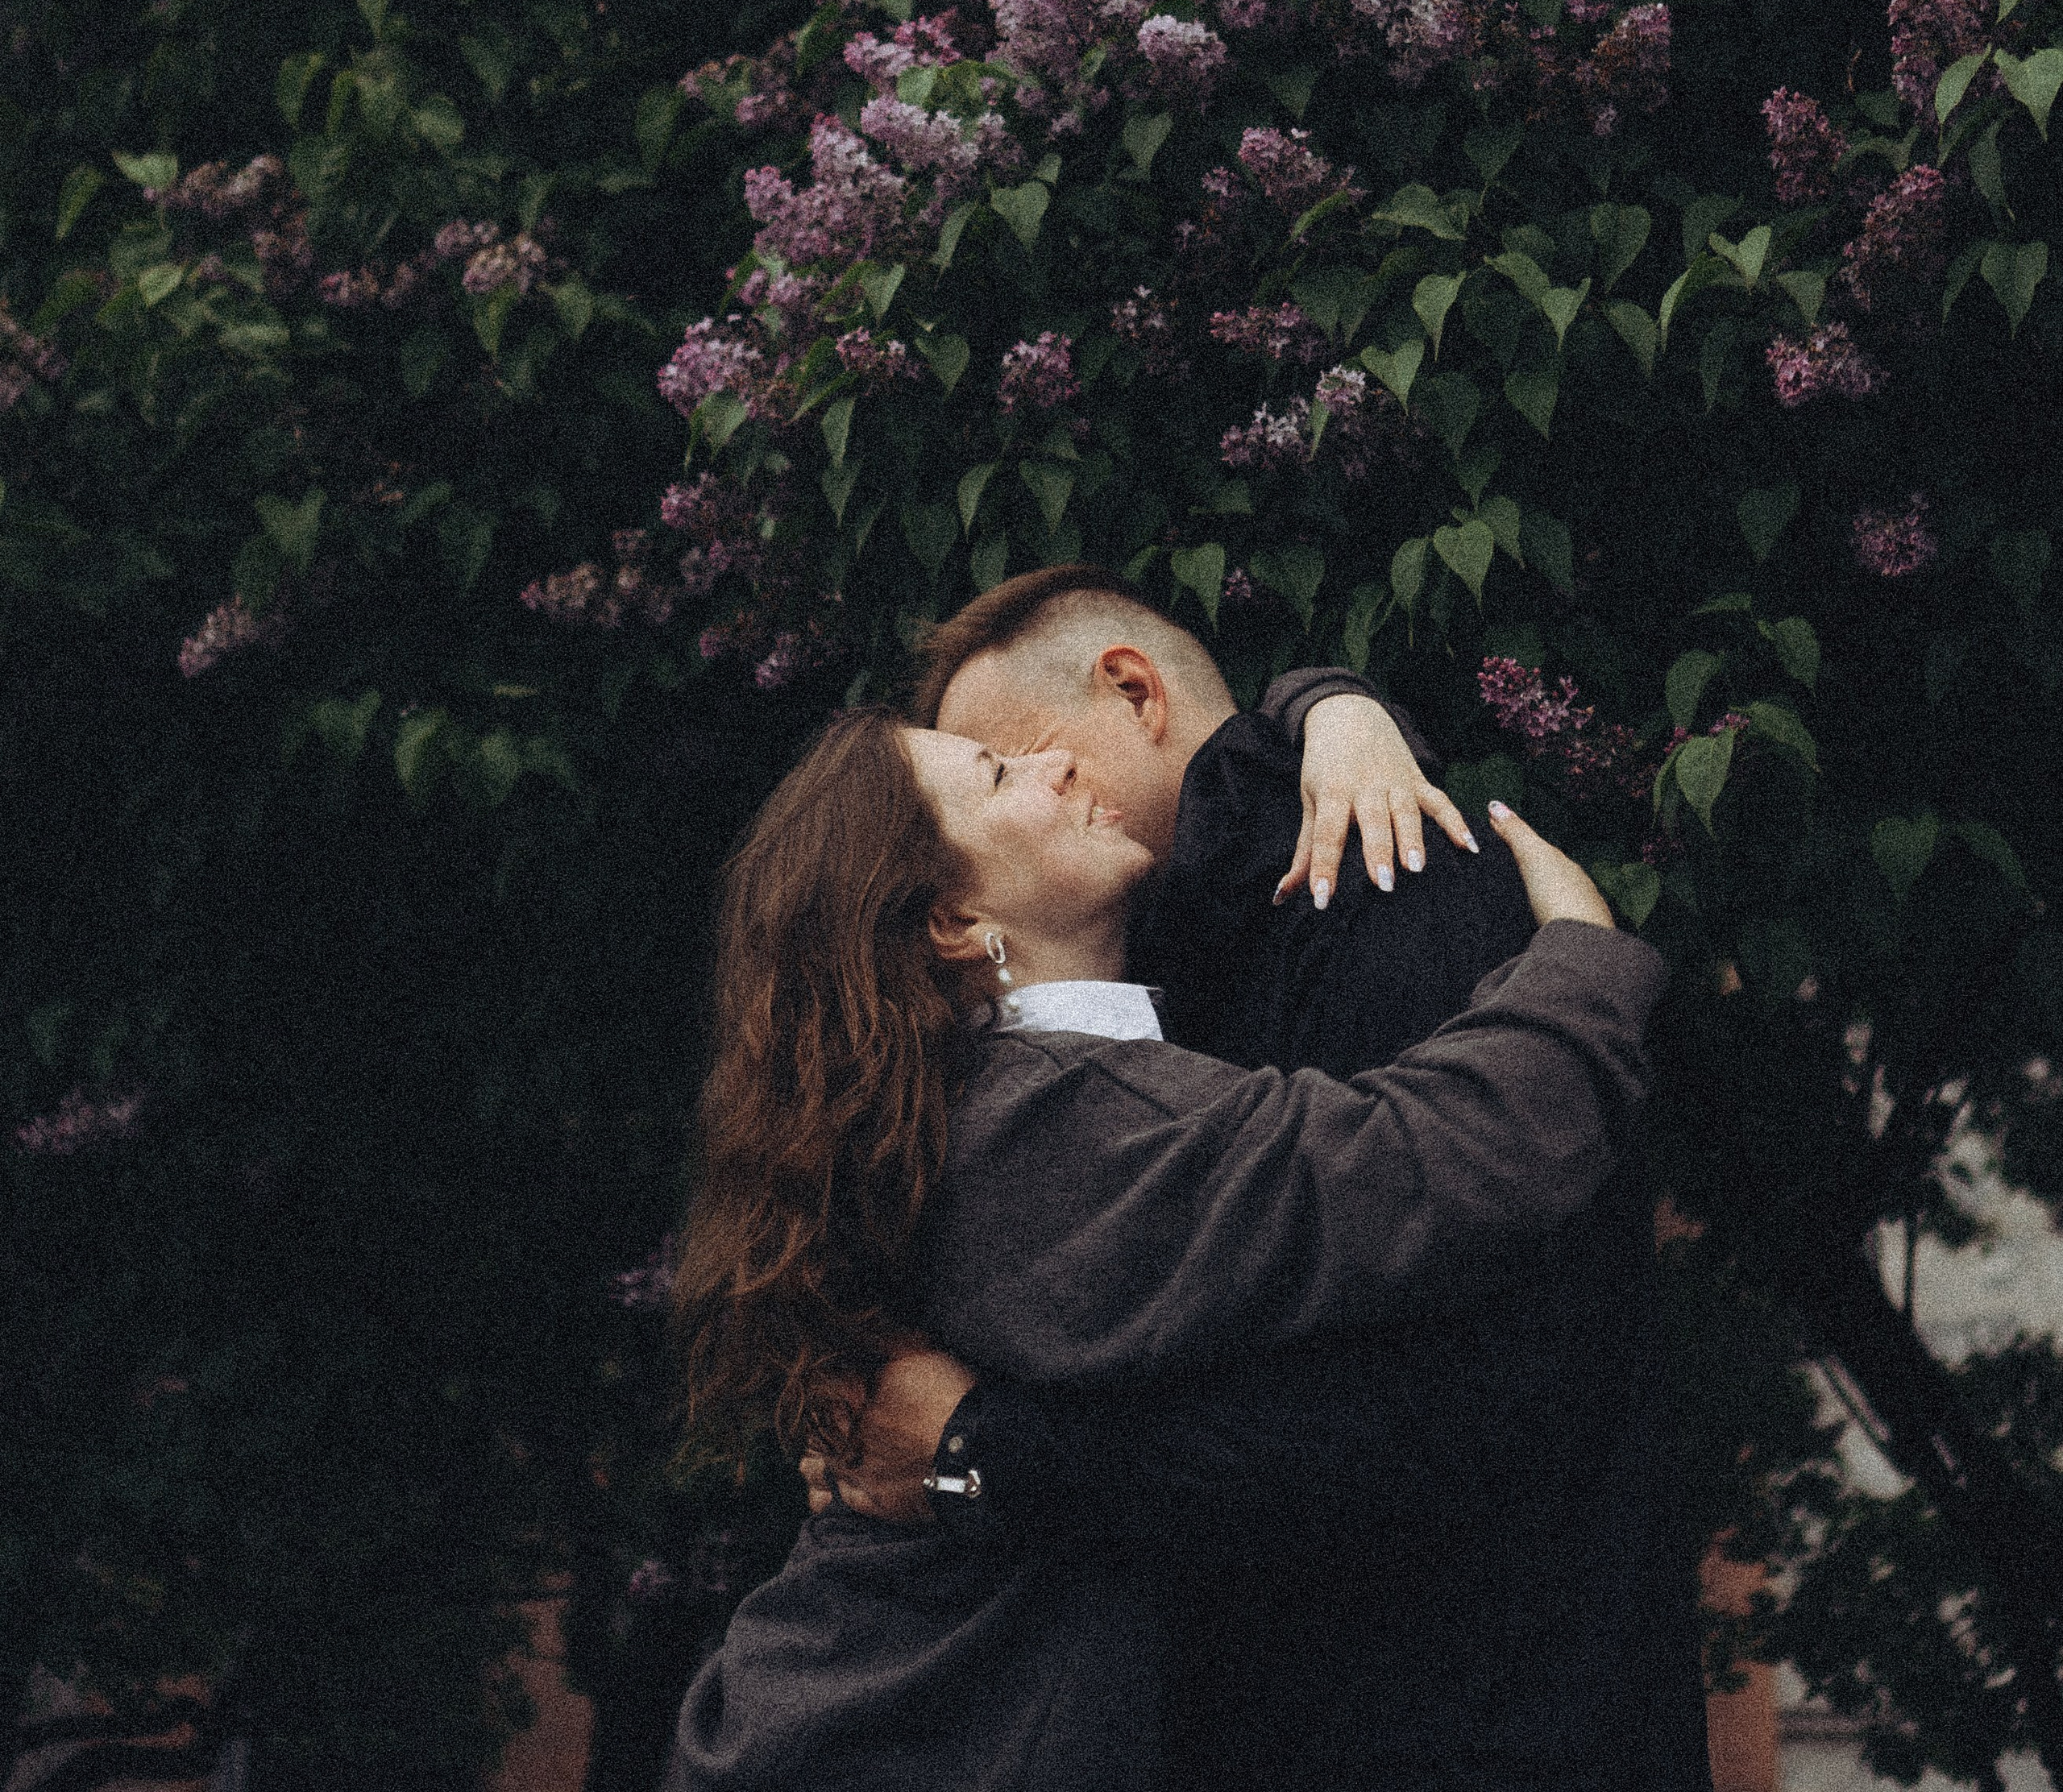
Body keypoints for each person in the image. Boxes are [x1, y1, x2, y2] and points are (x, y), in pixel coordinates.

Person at [662, 688, 1665, 1792]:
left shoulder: (969, 1115)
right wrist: (1582, 955)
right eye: (998, 776)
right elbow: (1449, 1156)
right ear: (953, 923)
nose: (1051, 766)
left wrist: (1335, 707)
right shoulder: (1054, 1123)